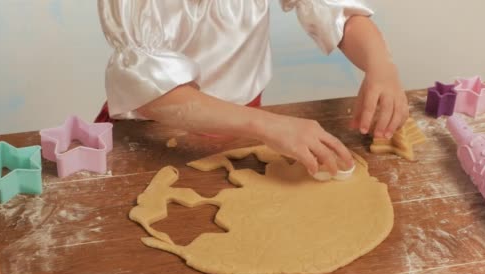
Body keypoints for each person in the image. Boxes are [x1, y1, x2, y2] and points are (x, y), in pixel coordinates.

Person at [96, 0, 408, 176]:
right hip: (154, 133)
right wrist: (269, 125)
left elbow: (338, 13)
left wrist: (380, 65)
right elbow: (150, 89)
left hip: (245, 124)